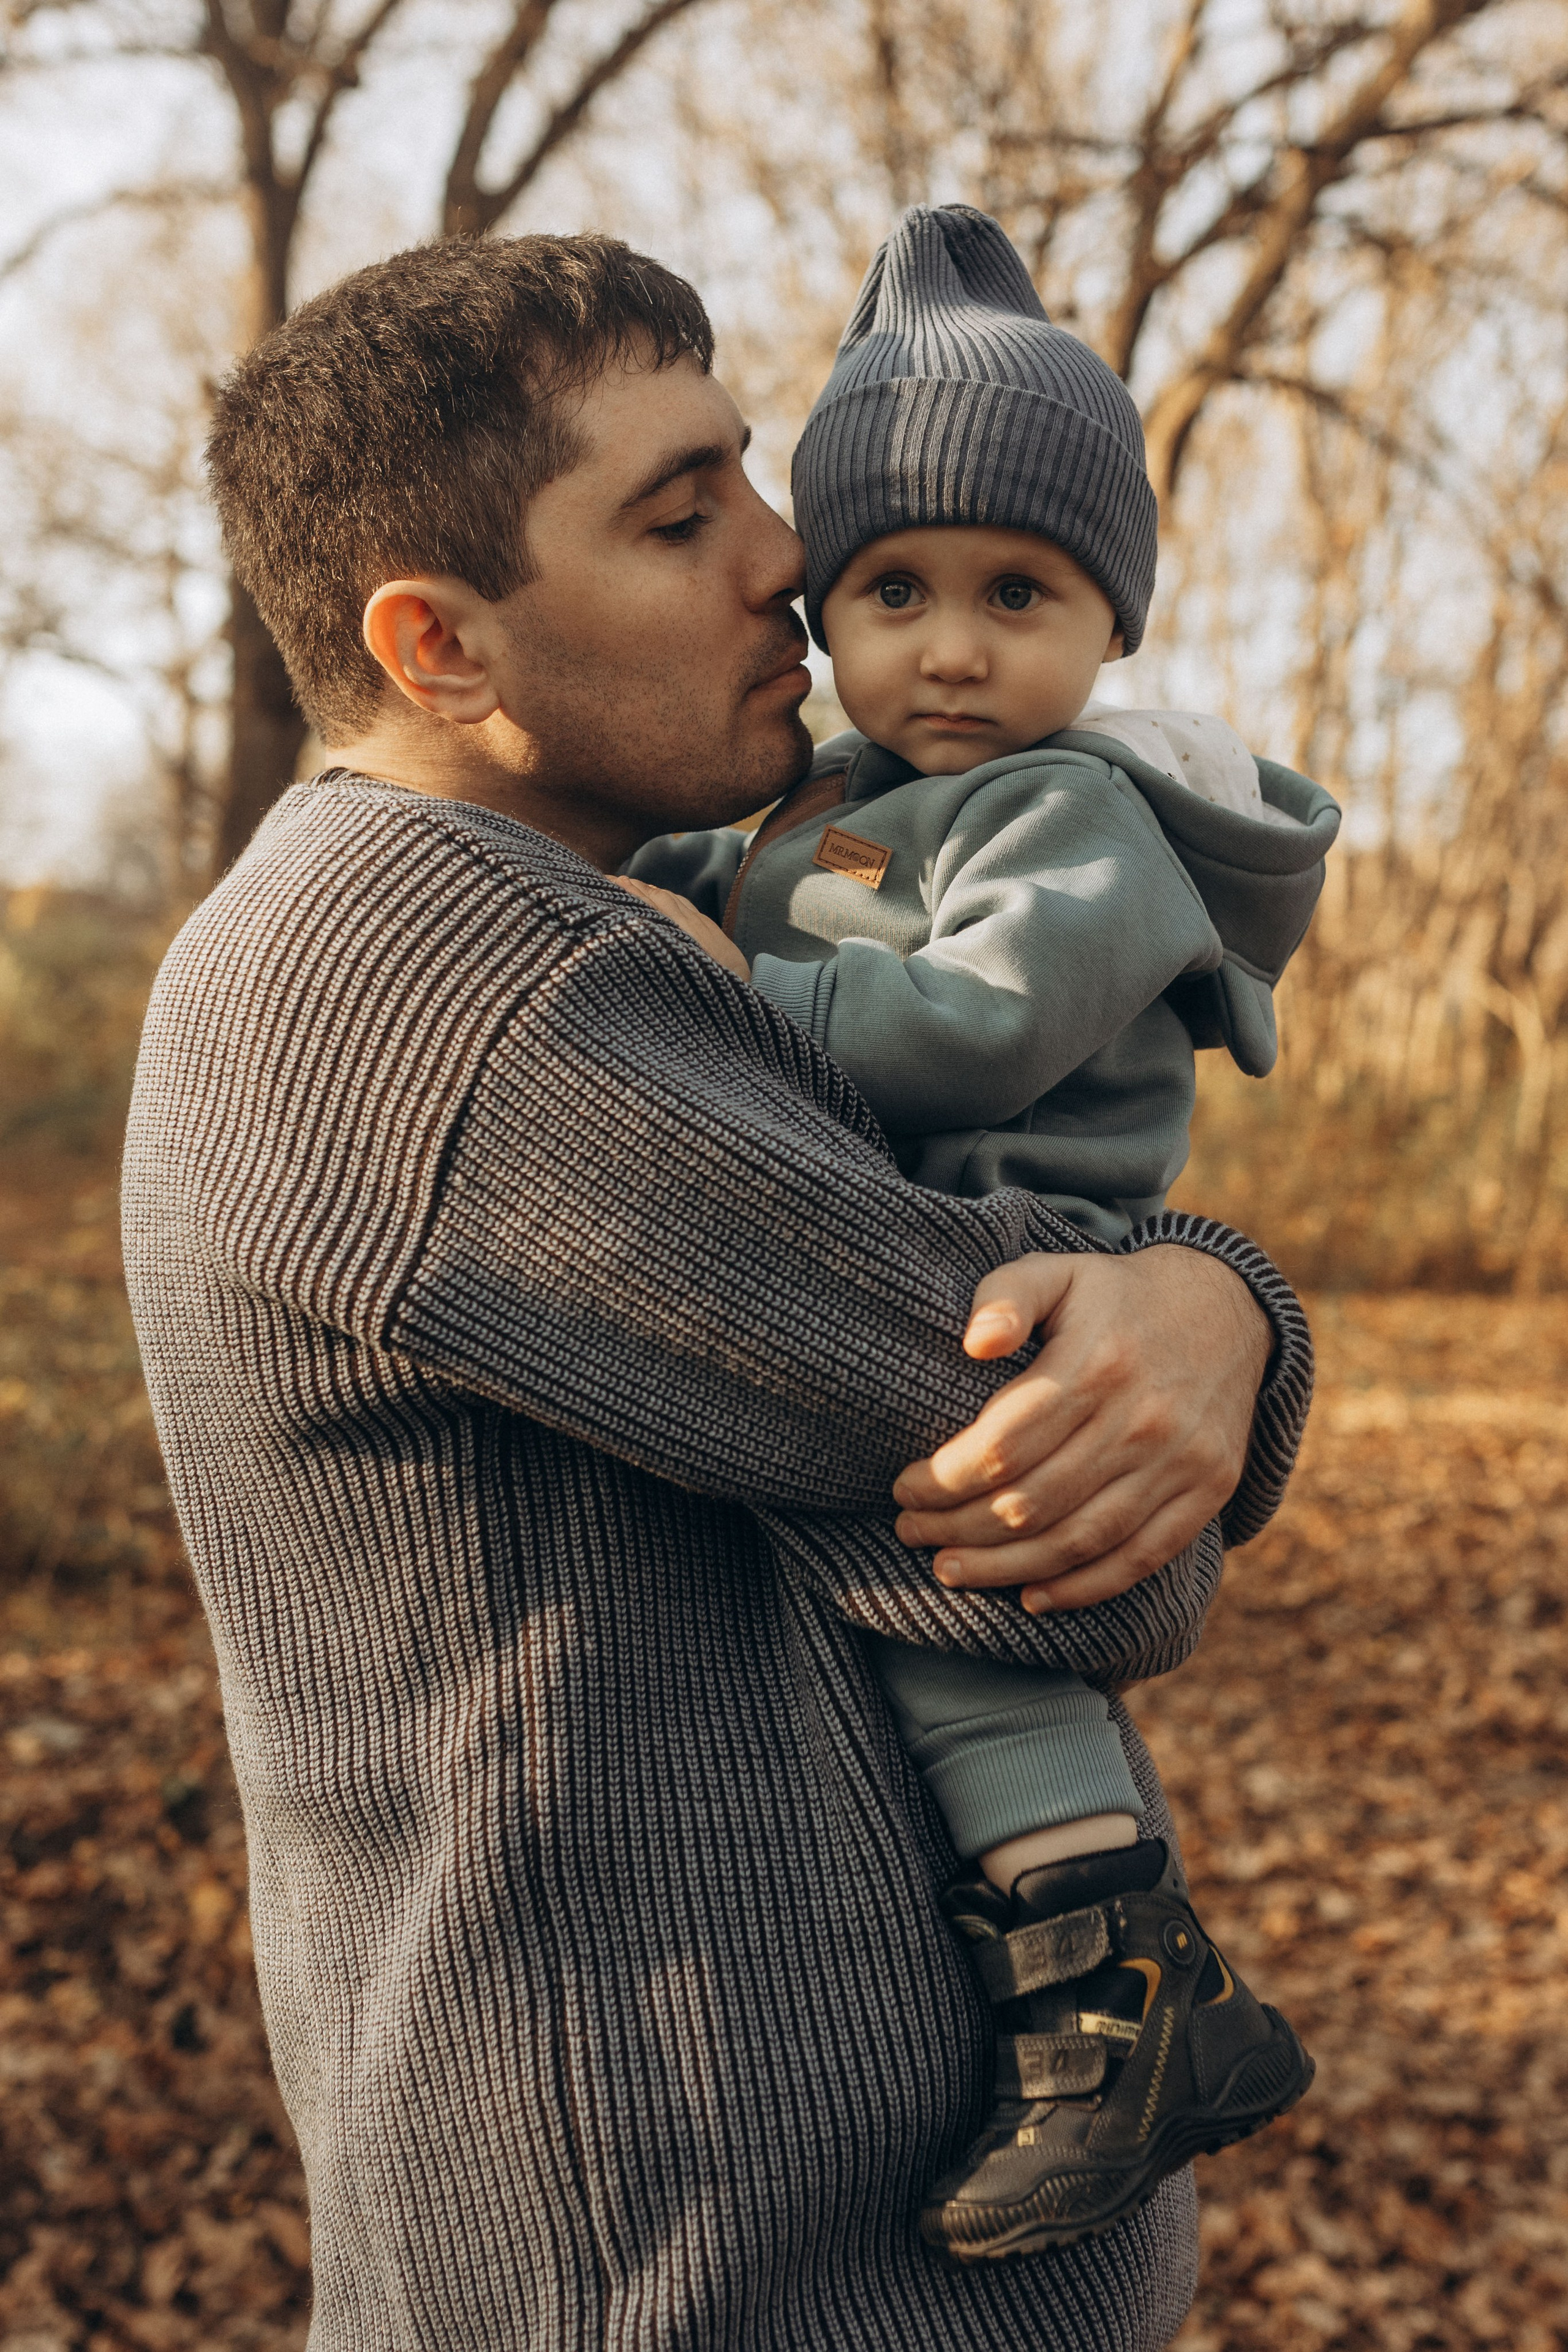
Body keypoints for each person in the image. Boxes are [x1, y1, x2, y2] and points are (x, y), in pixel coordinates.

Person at [124, 232, 1314, 2352]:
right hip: (707, 2275)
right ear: (440, 644)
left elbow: (1058, 1343)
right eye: (681, 518)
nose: (786, 558)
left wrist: (1215, 1305)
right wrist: (1206, 1320)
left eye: (749, 477)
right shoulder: (450, 979)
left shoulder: (574, 920)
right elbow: (1092, 1553)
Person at [624, 204, 1336, 2260]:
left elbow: (971, 1023)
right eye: (893, 591)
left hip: (1019, 1233)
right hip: (909, 1230)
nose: (952, 647)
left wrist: (710, 989)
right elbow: (726, 898)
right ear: (825, 613)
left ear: (1109, 623)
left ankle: (1126, 1987)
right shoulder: (826, 806)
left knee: (970, 1619)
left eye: (1018, 594)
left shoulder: (1079, 820)